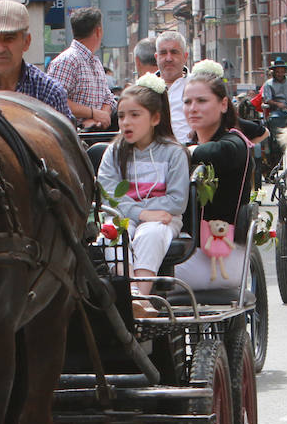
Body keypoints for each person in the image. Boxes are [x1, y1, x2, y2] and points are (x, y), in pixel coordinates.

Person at [96, 75, 189, 314]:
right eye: (121, 116)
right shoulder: (114, 153)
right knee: (113, 234)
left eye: (135, 115)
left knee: (151, 233)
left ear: (155, 118)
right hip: (124, 217)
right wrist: (143, 212)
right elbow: (109, 198)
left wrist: (150, 216)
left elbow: (177, 201)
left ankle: (139, 298)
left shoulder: (174, 153)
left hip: (164, 220)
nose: (126, 122)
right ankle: (132, 295)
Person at [174, 61, 251, 291]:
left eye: (202, 101)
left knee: (139, 273)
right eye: (187, 102)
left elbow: (221, 153)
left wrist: (180, 152)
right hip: (184, 252)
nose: (193, 108)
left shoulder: (234, 143)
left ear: (224, 104)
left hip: (221, 258)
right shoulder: (186, 146)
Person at [47, 6, 117, 130]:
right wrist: (93, 113)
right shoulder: (67, 61)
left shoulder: (95, 62)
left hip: (97, 133)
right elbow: (54, 101)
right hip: (73, 137)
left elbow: (108, 98)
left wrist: (102, 116)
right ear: (98, 31)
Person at [155, 31, 192, 144]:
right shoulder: (143, 88)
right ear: (156, 57)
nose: (169, 58)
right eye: (163, 53)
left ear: (185, 56)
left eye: (174, 52)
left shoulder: (198, 85)